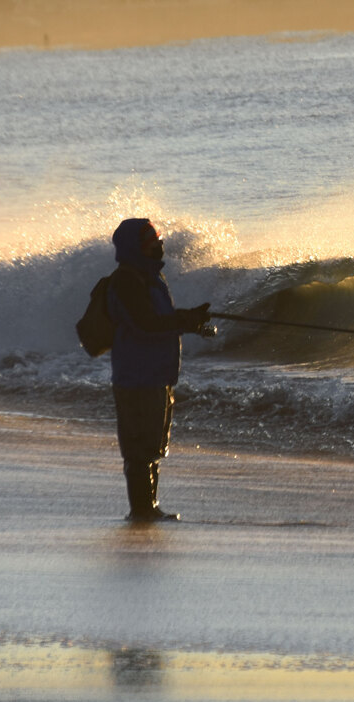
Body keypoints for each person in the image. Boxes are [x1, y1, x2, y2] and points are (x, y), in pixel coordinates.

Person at [107, 218, 211, 522]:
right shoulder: (127, 280)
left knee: (153, 445)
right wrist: (184, 322)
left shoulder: (149, 277)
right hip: (137, 378)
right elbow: (145, 325)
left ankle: (148, 506)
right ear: (138, 248)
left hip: (156, 376)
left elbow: (157, 320)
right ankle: (141, 510)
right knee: (140, 448)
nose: (161, 248)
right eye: (154, 244)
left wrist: (189, 320)